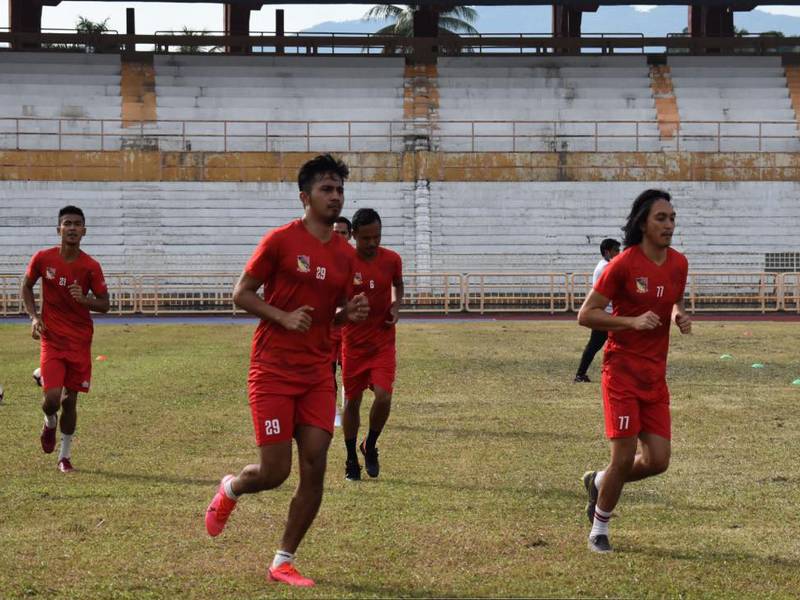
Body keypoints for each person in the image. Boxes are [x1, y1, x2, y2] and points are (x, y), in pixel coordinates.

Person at [204, 154, 369, 588]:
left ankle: (283, 560)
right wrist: (281, 316)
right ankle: (231, 490)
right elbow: (241, 293)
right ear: (305, 197)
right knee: (275, 472)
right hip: (273, 369)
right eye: (326, 190)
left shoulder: (346, 256)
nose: (335, 197)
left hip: (317, 372)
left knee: (315, 465)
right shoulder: (279, 241)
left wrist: (345, 314)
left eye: (339, 190)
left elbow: (329, 315)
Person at [577, 189, 690, 554]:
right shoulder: (622, 264)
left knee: (658, 461)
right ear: (643, 223)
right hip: (621, 371)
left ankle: (600, 480)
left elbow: (671, 297)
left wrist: (678, 315)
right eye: (661, 218)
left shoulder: (679, 263)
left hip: (655, 376)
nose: (669, 225)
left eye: (672, 218)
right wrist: (631, 321)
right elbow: (586, 315)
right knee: (623, 456)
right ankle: (599, 529)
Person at [20, 205, 110, 473]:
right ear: (58, 229)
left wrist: (85, 300)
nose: (71, 227)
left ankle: (65, 456)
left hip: (80, 342)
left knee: (70, 401)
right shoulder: (43, 258)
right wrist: (34, 317)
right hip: (53, 339)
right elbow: (26, 285)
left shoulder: (91, 266)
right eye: (67, 223)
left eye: (77, 224)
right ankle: (49, 423)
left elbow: (105, 304)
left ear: (84, 231)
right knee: (53, 400)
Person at [341, 208, 404, 481]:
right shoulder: (342, 262)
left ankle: (370, 445)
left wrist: (397, 304)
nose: (372, 243)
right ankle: (351, 457)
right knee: (351, 402)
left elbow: (398, 285)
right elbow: (332, 300)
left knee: (384, 396)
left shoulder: (392, 259)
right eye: (365, 238)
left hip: (382, 342)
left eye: (376, 237)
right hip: (353, 345)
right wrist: (347, 310)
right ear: (354, 235)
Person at [574, 238, 621, 383]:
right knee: (596, 344)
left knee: (598, 344)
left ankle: (581, 375)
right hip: (605, 313)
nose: (619, 253)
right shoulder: (606, 267)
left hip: (606, 312)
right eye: (616, 250)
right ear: (607, 252)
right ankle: (581, 374)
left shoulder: (605, 265)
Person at [331, 216, 352, 427]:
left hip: (350, 328)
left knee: (348, 372)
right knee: (327, 372)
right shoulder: (320, 256)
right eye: (335, 232)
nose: (339, 237)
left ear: (350, 235)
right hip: (328, 327)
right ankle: (332, 411)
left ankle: (346, 411)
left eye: (343, 233)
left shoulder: (357, 260)